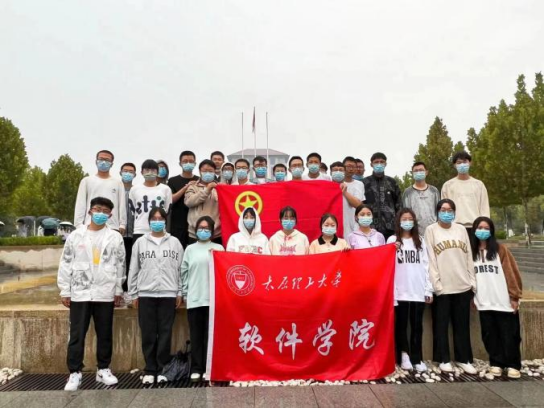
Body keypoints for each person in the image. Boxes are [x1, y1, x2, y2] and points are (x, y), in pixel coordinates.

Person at [58, 197, 125, 391]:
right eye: (97, 209)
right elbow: (66, 262)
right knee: (77, 334)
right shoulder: (76, 236)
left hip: (105, 291)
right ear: (90, 211)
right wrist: (65, 290)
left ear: (110, 215)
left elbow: (120, 264)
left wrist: (118, 289)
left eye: (105, 211)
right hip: (81, 291)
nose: (101, 213)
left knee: (105, 333)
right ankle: (75, 372)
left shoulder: (115, 237)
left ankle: (103, 369)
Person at [128, 207, 183, 385]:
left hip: (168, 293)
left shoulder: (174, 242)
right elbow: (133, 269)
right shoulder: (140, 243)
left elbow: (181, 269)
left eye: (161, 218)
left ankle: (163, 368)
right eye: (154, 218)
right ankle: (150, 369)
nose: (157, 221)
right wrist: (133, 293)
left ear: (165, 221)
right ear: (149, 221)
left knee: (165, 333)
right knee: (148, 333)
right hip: (146, 294)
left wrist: (179, 292)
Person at [424, 199, 476, 374]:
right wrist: (436, 284)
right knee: (441, 325)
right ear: (437, 211)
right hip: (443, 287)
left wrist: (472, 282)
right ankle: (443, 359)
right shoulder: (431, 230)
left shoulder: (461, 229)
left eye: (450, 210)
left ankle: (463, 358)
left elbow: (468, 256)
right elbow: (431, 259)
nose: (446, 213)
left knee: (462, 325)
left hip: (462, 285)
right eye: (443, 209)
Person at [470, 217, 523, 379]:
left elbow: (511, 273)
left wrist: (514, 296)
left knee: (509, 335)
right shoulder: (471, 252)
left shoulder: (500, 250)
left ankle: (513, 364)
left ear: (491, 231)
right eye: (480, 228)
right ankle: (496, 362)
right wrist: (472, 297)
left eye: (486, 228)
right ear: (474, 230)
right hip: (484, 302)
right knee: (489, 335)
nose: (483, 231)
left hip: (503, 301)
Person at [387, 209, 433, 372]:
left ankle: (417, 357)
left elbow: (426, 265)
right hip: (400, 291)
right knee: (401, 325)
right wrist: (392, 249)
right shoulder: (392, 240)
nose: (407, 221)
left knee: (417, 325)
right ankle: (404, 355)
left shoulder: (420, 240)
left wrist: (428, 289)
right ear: (398, 221)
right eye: (404, 219)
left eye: (410, 219)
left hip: (418, 290)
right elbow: (386, 264)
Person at [182, 216, 224, 382]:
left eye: (207, 228)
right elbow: (184, 272)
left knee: (211, 337)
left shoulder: (218, 248)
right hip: (195, 298)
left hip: (213, 299)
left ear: (212, 231)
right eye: (201, 228)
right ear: (195, 230)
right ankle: (196, 368)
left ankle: (209, 368)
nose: (203, 231)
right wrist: (184, 293)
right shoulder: (190, 249)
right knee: (196, 336)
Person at [74, 150, 127, 234]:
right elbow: (80, 204)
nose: (104, 162)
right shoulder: (86, 181)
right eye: (101, 159)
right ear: (96, 161)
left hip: (112, 226)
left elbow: (122, 205)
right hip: (90, 225)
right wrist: (78, 225)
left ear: (112, 164)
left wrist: (122, 224)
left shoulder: (118, 183)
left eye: (107, 160)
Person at [441, 151, 490, 236]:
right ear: (454, 165)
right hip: (455, 227)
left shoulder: (479, 185)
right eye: (459, 162)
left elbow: (484, 208)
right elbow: (444, 209)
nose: (462, 165)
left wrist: (484, 226)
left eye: (465, 162)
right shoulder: (448, 185)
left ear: (470, 163)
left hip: (475, 227)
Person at [129, 160, 173, 244]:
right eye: (147, 170)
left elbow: (167, 210)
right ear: (141, 172)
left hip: (159, 230)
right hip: (140, 229)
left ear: (157, 172)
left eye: (153, 170)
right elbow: (133, 210)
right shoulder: (134, 189)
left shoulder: (165, 189)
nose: (150, 172)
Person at [362, 152, 402, 240]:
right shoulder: (364, 183)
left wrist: (399, 225)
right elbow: (361, 205)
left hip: (391, 228)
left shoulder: (392, 182)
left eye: (382, 162)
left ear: (385, 164)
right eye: (376, 162)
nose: (379, 164)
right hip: (370, 227)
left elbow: (399, 205)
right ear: (371, 164)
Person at [185, 159, 222, 244]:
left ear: (214, 172)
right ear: (200, 171)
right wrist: (207, 190)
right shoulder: (192, 187)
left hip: (216, 234)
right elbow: (189, 202)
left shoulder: (219, 188)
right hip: (195, 233)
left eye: (210, 171)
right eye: (205, 171)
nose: (208, 173)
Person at [168, 151, 199, 248]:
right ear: (180, 163)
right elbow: (171, 199)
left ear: (195, 163)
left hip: (195, 223)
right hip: (178, 223)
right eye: (185, 161)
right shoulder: (172, 180)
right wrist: (186, 187)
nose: (188, 163)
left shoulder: (199, 180)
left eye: (191, 161)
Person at [402, 162, 441, 235]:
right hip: (415, 232)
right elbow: (405, 213)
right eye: (416, 171)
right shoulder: (408, 192)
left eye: (421, 170)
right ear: (412, 173)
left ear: (426, 172)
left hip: (433, 231)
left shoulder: (434, 191)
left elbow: (439, 210)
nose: (418, 172)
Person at [330, 159, 365, 238]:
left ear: (344, 172)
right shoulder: (326, 186)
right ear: (330, 172)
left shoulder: (356, 184)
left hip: (350, 226)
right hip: (331, 226)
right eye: (335, 170)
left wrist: (344, 192)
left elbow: (359, 205)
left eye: (341, 170)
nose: (338, 172)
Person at [120, 162, 136, 297]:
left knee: (131, 261)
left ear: (135, 174)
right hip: (119, 233)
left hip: (133, 233)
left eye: (131, 171)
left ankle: (128, 290)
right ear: (120, 172)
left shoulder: (137, 190)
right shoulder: (115, 189)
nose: (128, 173)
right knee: (119, 262)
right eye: (125, 171)